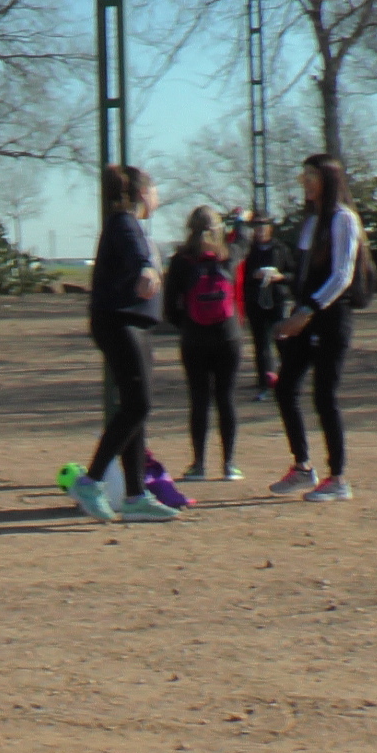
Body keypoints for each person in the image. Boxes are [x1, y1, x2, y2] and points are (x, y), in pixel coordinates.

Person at [67, 166, 179, 524]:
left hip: (135, 324)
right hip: (120, 322)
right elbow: (137, 255)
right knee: (138, 404)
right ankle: (91, 480)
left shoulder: (130, 223)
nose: (158, 196)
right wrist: (147, 268)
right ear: (142, 193)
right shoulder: (124, 222)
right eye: (156, 189)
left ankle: (135, 496)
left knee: (137, 410)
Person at [271, 153, 365, 503]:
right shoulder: (310, 222)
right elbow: (308, 274)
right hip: (306, 315)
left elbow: (342, 276)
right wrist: (287, 292)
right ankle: (302, 467)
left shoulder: (343, 220)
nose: (304, 181)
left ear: (328, 179)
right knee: (285, 389)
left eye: (311, 174)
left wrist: (306, 311)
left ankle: (338, 478)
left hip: (331, 317)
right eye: (304, 173)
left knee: (324, 395)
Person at [162, 205, 245, 483]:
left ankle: (198, 464)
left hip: (194, 339)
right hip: (228, 336)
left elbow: (170, 308)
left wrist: (186, 324)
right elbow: (243, 242)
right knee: (226, 398)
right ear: (219, 229)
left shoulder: (180, 261)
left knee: (198, 400)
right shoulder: (229, 256)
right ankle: (229, 464)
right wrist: (240, 221)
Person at [238, 215, 292, 402]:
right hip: (255, 302)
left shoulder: (280, 249)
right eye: (257, 227)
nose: (260, 230)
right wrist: (254, 275)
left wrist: (280, 277)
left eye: (263, 226)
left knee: (282, 341)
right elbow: (239, 277)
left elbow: (293, 273)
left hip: (277, 300)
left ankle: (288, 380)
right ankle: (264, 384)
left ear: (270, 228)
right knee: (261, 345)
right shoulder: (247, 251)